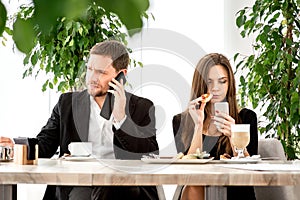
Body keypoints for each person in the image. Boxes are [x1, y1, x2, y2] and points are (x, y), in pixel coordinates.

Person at [0, 40, 159, 200]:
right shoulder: (67, 104)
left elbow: (150, 154)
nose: (92, 78)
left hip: (124, 186)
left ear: (121, 74)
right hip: (79, 182)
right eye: (90, 69)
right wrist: (15, 146)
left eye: (101, 72)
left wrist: (121, 119)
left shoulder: (142, 107)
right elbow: (45, 145)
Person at [172, 53, 258, 200]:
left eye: (222, 81)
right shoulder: (181, 121)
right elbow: (188, 168)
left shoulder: (246, 117)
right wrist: (198, 126)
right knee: (194, 185)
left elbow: (249, 169)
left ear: (229, 83)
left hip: (235, 188)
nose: (215, 88)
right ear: (201, 83)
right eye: (209, 82)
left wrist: (234, 135)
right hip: (196, 190)